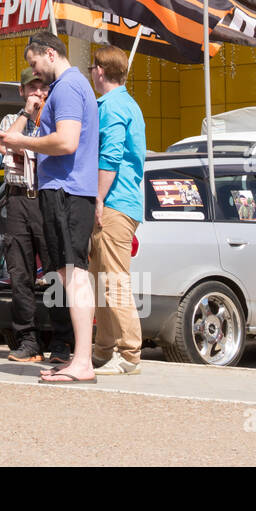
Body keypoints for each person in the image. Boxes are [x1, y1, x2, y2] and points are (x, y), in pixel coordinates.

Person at [0, 31, 99, 385]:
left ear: (50, 54)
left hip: (68, 192)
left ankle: (82, 360)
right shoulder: (71, 86)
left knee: (74, 275)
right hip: (65, 191)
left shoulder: (69, 86)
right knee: (68, 275)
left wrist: (22, 140)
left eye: (34, 62)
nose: (35, 70)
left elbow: (67, 141)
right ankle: (79, 358)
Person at [88, 45, 146, 375]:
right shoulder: (127, 104)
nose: (91, 73)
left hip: (113, 203)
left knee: (113, 282)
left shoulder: (111, 107)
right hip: (123, 202)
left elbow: (110, 157)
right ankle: (104, 349)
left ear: (100, 70)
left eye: (92, 67)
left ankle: (129, 354)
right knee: (102, 280)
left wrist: (97, 199)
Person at [0, 68, 54, 363]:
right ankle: (27, 340)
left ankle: (61, 340)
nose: (38, 93)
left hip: (45, 200)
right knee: (20, 273)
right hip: (18, 200)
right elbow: (5, 143)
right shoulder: (11, 120)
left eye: (42, 87)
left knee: (56, 271)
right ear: (22, 91)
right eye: (32, 88)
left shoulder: (54, 116)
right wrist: (26, 112)